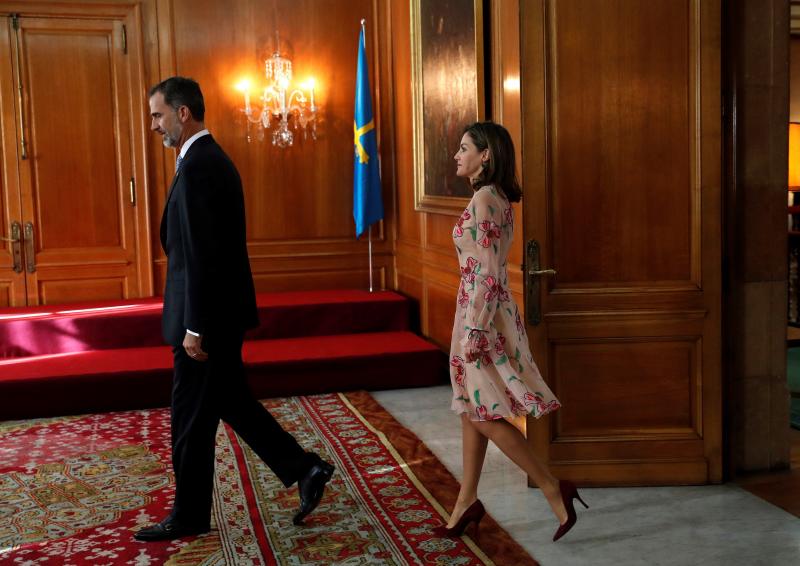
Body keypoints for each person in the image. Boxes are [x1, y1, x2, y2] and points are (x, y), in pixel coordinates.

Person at [135, 77, 334, 541]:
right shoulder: (199, 160)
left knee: (189, 419)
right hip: (213, 315)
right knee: (231, 403)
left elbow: (206, 255)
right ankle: (305, 469)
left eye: (158, 114)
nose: (154, 124)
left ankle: (188, 515)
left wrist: (195, 327)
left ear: (183, 113)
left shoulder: (203, 164)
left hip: (206, 321)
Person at [443, 121, 587, 542]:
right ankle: (466, 499)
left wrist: (474, 328)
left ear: (485, 155)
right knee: (474, 405)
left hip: (481, 313)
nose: (457, 154)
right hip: (480, 308)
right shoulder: (491, 196)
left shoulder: (486, 198)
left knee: (484, 411)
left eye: (465, 147)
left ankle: (550, 485)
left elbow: (487, 272)